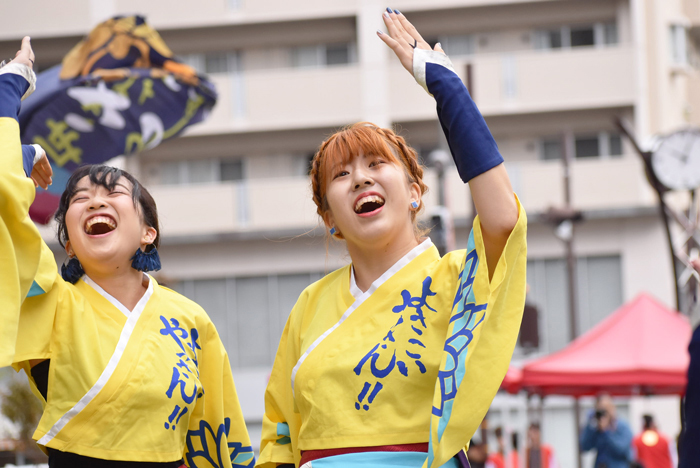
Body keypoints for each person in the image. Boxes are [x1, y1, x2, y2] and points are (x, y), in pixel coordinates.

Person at [257, 8, 527, 468]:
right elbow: (279, 434)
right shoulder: (309, 305)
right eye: (341, 175)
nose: (360, 179)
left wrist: (448, 91)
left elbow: (502, 220)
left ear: (415, 193)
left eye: (376, 165)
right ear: (330, 219)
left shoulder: (455, 277)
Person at [0, 37, 253, 467]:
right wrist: (9, 92)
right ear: (68, 241)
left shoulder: (190, 319)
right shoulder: (50, 300)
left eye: (114, 192)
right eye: (78, 199)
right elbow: (6, 214)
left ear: (148, 232)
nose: (95, 201)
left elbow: (218, 432)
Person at [580, 395, 633, 468]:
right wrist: (590, 424)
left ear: (612, 408)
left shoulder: (622, 426)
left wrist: (606, 431)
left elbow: (621, 449)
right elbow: (585, 446)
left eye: (605, 409)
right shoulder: (596, 428)